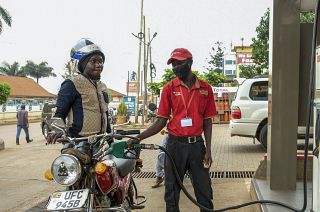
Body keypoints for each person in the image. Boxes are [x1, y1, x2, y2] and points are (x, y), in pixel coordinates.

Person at [129, 48, 216, 211]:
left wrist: (208, 150)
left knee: (204, 191)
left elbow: (207, 121)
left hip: (197, 146)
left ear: (190, 62)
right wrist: (139, 138)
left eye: (179, 63)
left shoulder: (205, 88)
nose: (175, 67)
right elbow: (161, 121)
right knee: (172, 192)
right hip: (174, 146)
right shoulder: (169, 88)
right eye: (173, 64)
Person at [47, 38, 111, 162]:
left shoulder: (102, 86)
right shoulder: (71, 84)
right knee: (73, 176)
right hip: (79, 143)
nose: (99, 65)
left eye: (101, 61)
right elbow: (59, 113)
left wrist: (110, 138)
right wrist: (57, 130)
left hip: (101, 142)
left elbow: (105, 113)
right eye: (93, 61)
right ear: (82, 64)